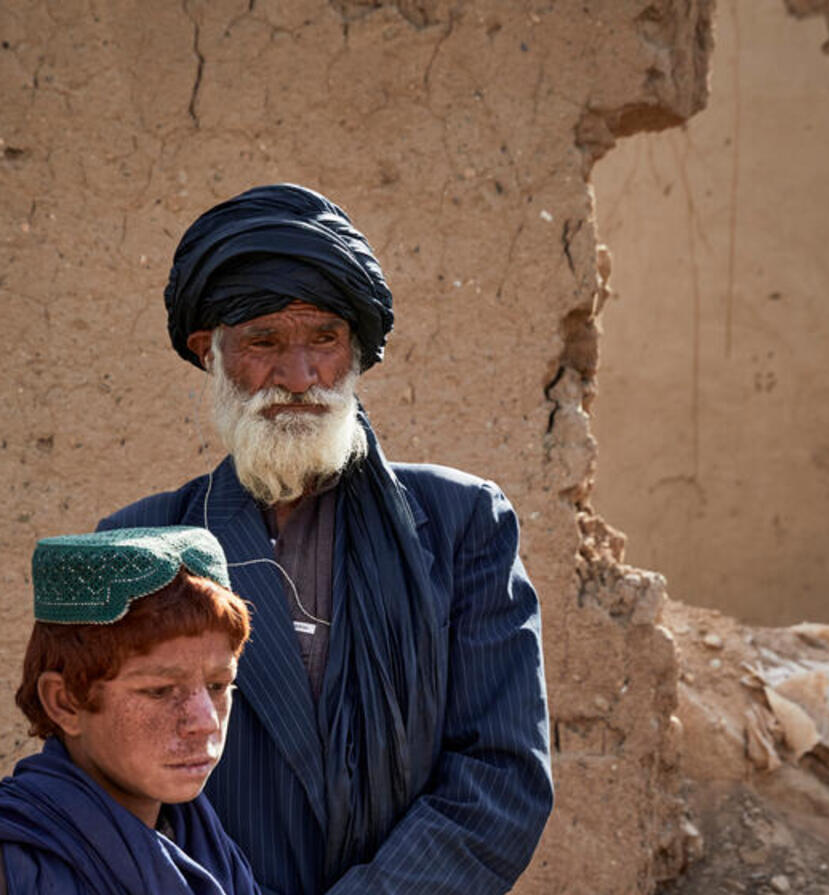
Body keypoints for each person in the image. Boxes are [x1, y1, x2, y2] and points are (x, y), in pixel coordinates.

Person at [99, 184, 553, 894]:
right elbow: (106, 788)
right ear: (209, 351)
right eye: (264, 341)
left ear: (357, 353)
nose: (299, 376)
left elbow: (501, 776)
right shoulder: (137, 544)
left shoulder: (463, 524)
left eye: (324, 340)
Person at [0, 526, 262, 895]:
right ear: (66, 702)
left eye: (218, 686)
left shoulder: (210, 853)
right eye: (159, 691)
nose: (204, 722)